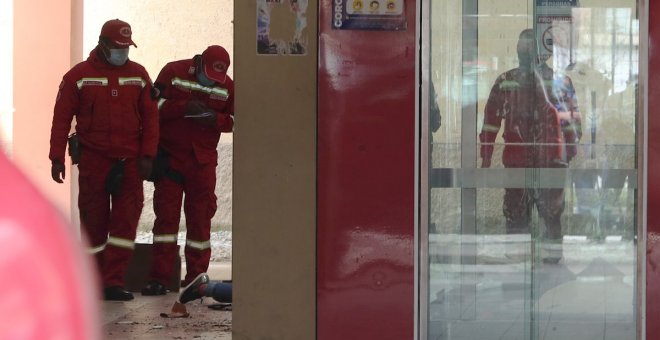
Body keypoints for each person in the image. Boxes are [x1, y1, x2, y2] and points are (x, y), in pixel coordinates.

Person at [49, 19, 159, 301]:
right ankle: (92, 281)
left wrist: (148, 155)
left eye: (127, 48)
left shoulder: (138, 74)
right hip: (94, 160)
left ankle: (113, 282)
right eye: (118, 47)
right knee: (93, 223)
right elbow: (61, 118)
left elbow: (151, 118)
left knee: (125, 224)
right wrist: (56, 157)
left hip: (130, 161)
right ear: (103, 44)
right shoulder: (78, 76)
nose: (123, 53)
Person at [479, 29, 582, 263]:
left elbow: (571, 122)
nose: (522, 50)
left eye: (525, 46)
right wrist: (570, 153)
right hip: (544, 161)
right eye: (521, 46)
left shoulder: (508, 81)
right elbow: (572, 125)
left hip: (531, 161)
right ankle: (545, 262)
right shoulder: (557, 82)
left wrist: (486, 156)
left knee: (529, 215)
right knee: (544, 215)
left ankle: (527, 261)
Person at [141, 45, 234, 295]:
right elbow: (152, 107)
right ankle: (160, 278)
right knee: (166, 223)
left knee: (200, 223)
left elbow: (237, 119)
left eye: (217, 80)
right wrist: (183, 107)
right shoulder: (173, 72)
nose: (212, 83)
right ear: (200, 63)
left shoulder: (228, 86)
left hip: (202, 163)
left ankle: (196, 279)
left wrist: (215, 119)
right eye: (209, 76)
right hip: (171, 158)